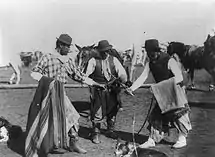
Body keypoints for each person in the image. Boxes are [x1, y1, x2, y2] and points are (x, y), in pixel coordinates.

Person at [25, 34, 103, 157]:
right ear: (60, 45)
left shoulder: (68, 60)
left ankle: (73, 143)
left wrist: (94, 83)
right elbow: (35, 72)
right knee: (44, 121)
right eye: (67, 47)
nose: (69, 50)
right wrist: (48, 81)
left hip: (61, 94)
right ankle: (39, 148)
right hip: (47, 94)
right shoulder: (48, 57)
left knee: (72, 117)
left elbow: (78, 75)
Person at [126, 39, 192, 149]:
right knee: (156, 116)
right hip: (162, 94)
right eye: (148, 53)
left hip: (175, 92)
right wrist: (132, 88)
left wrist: (159, 86)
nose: (150, 55)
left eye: (151, 53)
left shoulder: (169, 60)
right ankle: (152, 139)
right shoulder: (150, 63)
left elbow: (179, 77)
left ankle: (182, 138)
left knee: (179, 115)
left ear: (157, 51)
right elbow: (143, 77)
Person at [84, 40, 128, 144]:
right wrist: (94, 83)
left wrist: (125, 82)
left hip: (112, 89)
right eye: (102, 51)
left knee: (112, 110)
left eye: (107, 51)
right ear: (98, 51)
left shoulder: (114, 60)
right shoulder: (93, 61)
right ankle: (96, 133)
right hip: (99, 90)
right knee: (97, 112)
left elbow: (122, 74)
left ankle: (110, 130)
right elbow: (85, 77)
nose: (105, 53)